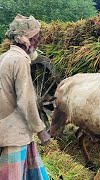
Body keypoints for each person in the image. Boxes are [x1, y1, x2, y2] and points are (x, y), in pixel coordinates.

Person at [0, 14, 51, 180]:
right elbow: (26, 100)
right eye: (36, 37)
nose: (39, 41)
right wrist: (41, 130)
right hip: (13, 135)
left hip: (9, 131)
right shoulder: (20, 60)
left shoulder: (4, 58)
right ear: (25, 40)